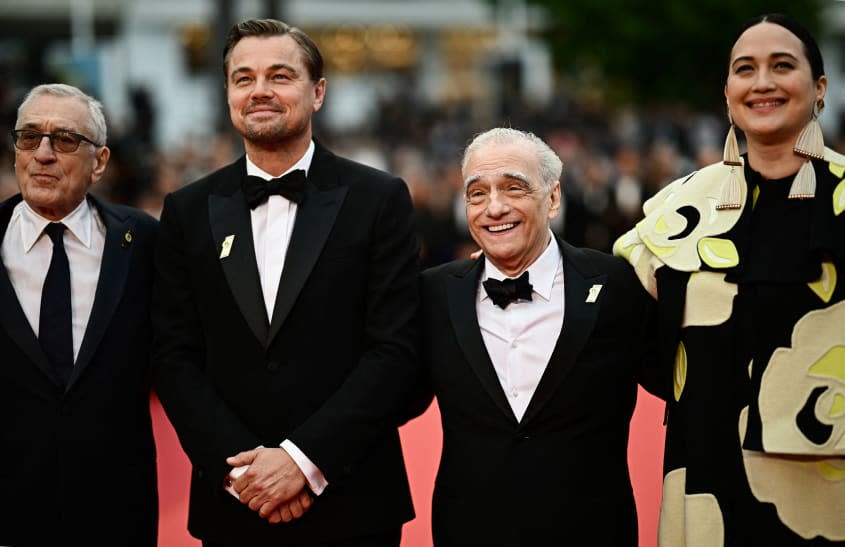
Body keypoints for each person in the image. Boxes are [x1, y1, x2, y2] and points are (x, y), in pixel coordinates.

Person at [151, 18, 420, 547]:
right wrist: (243, 475)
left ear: (317, 92)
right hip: (234, 505)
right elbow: (173, 356)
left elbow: (395, 350)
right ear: (228, 93)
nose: (260, 92)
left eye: (279, 75)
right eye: (243, 78)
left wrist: (303, 461)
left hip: (353, 501)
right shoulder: (186, 210)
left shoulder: (379, 199)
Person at [614, 13, 845, 546]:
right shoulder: (678, 206)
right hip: (704, 477)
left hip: (825, 484)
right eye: (746, 69)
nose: (762, 82)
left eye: (782, 66)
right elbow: (629, 334)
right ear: (728, 93)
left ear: (819, 88)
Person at [419, 127, 660, 546]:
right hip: (469, 532)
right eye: (477, 194)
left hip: (593, 531)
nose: (494, 208)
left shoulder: (619, 285)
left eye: (514, 188)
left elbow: (681, 380)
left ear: (552, 198)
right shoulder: (433, 294)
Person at [0, 83, 159, 545]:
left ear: (101, 162)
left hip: (115, 511)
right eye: (29, 137)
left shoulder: (144, 242)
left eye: (65, 139)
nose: (43, 154)